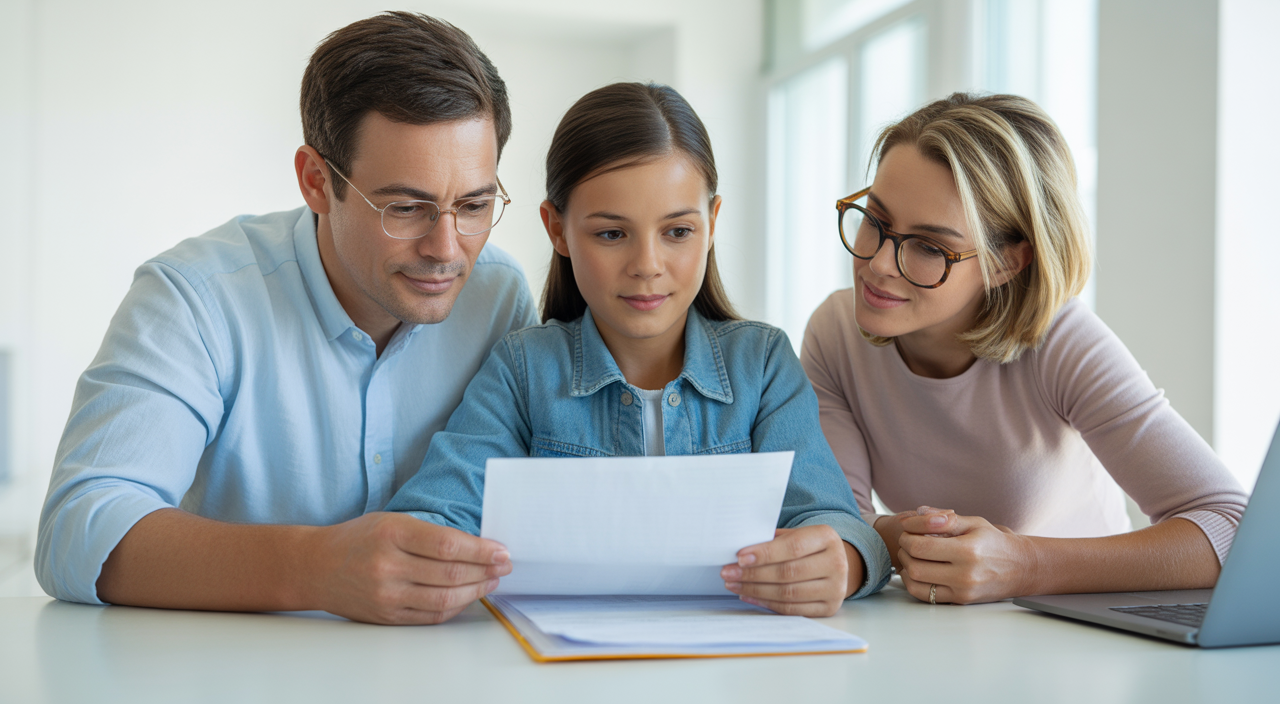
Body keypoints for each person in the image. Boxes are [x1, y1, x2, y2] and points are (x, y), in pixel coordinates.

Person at [36, 12, 536, 625]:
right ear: (317, 181)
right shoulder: (195, 298)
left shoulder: (499, 298)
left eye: (475, 205)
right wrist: (314, 566)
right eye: (406, 208)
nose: (447, 248)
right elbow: (76, 530)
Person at [384, 82, 892, 619]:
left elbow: (837, 523)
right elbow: (436, 512)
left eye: (677, 230)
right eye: (611, 235)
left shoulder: (762, 364)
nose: (647, 264)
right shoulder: (524, 369)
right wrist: (427, 553)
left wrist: (843, 560)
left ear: (712, 223)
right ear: (557, 228)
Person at [801, 92, 1248, 606]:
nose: (878, 264)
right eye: (875, 221)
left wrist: (1025, 566)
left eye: (929, 247)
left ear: (1006, 263)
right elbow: (841, 524)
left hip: (1085, 636)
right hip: (945, 634)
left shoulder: (1060, 342)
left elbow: (1231, 526)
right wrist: (885, 537)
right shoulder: (835, 332)